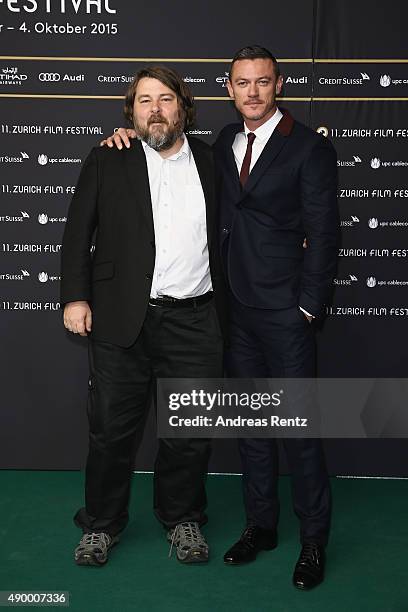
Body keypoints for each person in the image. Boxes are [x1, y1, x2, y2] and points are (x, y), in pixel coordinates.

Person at [105, 45, 339, 590]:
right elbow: (157, 146)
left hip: (286, 313)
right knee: (253, 430)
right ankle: (261, 526)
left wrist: (307, 304)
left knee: (298, 430)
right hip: (232, 312)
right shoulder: (221, 146)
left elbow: (325, 232)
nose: (252, 92)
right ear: (228, 89)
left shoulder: (308, 147)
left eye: (262, 82)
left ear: (277, 85)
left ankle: (313, 540)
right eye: (241, 83)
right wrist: (120, 138)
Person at [60, 66, 227, 567]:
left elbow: (250, 217)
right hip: (119, 321)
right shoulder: (107, 158)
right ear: (131, 113)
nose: (156, 109)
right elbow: (76, 234)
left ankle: (182, 520)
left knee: (189, 433)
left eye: (166, 99)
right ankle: (101, 525)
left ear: (183, 108)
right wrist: (75, 297)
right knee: (111, 431)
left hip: (195, 321)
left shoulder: (212, 160)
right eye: (145, 100)